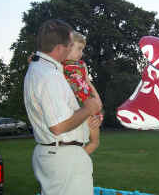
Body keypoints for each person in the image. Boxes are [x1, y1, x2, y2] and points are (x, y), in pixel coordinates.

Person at [24, 19, 102, 195]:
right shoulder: (49, 76)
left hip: (58, 154)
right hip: (64, 158)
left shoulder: (41, 68)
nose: (70, 49)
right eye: (69, 45)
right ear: (60, 48)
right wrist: (88, 109)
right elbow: (58, 126)